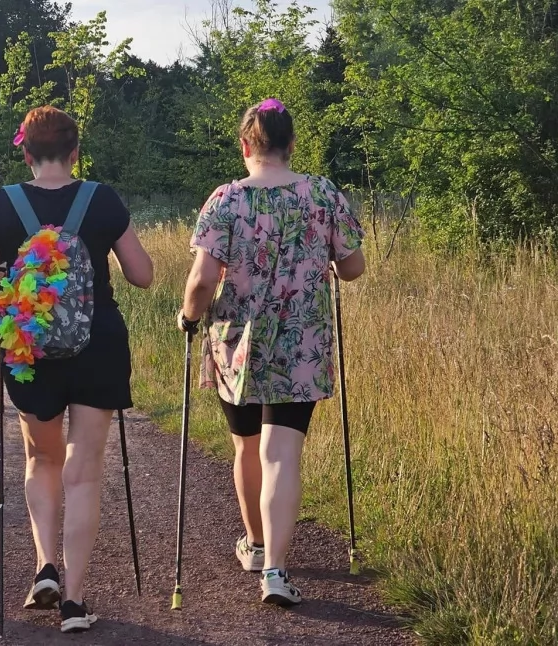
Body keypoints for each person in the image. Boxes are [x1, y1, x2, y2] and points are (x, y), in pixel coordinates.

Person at [0, 106, 154, 634]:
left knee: (41, 457)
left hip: (31, 352)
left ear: (25, 153)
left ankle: (44, 566)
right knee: (84, 469)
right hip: (98, 346)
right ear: (76, 152)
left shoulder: (6, 203)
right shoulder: (103, 199)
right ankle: (74, 601)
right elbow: (142, 275)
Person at [179, 98, 366, 607]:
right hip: (301, 344)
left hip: (237, 347)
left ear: (245, 146)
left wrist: (189, 318)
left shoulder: (226, 200)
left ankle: (257, 546)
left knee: (246, 447)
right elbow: (352, 268)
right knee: (281, 452)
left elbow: (200, 281)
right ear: (291, 146)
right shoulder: (324, 194)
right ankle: (277, 573)